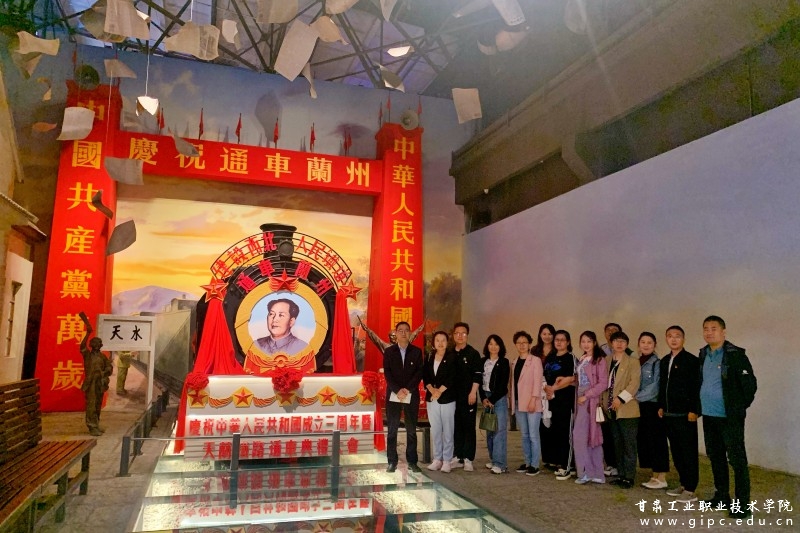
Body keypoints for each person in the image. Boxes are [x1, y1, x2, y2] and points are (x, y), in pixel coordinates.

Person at [698, 316, 757, 518]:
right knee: (716, 458)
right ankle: (722, 496)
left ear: (723, 331)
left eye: (713, 328)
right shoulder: (703, 354)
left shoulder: (735, 355)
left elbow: (750, 386)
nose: (709, 332)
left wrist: (737, 408)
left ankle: (742, 504)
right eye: (706, 329)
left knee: (737, 460)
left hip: (729, 418)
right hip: (709, 415)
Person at [657, 325, 700, 502]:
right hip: (669, 414)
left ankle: (690, 488)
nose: (673, 339)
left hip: (685, 415)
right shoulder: (664, 361)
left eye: (677, 336)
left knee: (688, 451)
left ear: (683, 339)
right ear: (666, 339)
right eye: (670, 336)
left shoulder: (691, 361)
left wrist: (694, 410)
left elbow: (696, 387)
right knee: (676, 451)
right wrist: (661, 405)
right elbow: (662, 386)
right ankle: (683, 483)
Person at [383, 321, 424, 473]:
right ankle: (392, 461)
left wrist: (407, 389)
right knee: (392, 430)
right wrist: (397, 390)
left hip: (411, 394)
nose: (403, 333)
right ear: (396, 333)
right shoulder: (389, 352)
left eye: (406, 330)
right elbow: (387, 373)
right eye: (400, 330)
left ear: (410, 333)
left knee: (411, 430)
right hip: (394, 394)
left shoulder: (417, 352)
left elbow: (419, 373)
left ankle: (412, 461)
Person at [603, 331, 640, 489]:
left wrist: (620, 399)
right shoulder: (606, 360)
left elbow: (634, 383)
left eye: (623, 341)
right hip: (610, 408)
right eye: (616, 341)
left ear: (627, 344)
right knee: (617, 444)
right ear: (611, 343)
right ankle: (621, 474)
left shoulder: (633, 362)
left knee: (628, 444)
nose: (619, 344)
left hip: (627, 409)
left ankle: (629, 477)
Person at [573, 331, 607, 484]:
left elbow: (603, 383)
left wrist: (586, 395)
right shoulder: (582, 358)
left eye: (589, 341)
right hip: (581, 399)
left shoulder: (599, 360)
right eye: (583, 341)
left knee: (582, 436)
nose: (586, 344)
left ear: (594, 342)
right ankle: (595, 473)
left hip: (589, 401)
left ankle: (587, 472)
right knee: (588, 437)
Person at [636, 332, 669, 491]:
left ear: (655, 345)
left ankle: (661, 477)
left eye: (649, 342)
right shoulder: (637, 361)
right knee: (647, 440)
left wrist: (634, 397)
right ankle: (654, 475)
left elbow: (655, 387)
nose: (646, 345)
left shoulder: (657, 363)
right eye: (643, 342)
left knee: (658, 441)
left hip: (652, 406)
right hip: (640, 406)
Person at [449, 322, 483, 472]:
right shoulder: (449, 353)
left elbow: (477, 375)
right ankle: (458, 456)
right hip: (452, 397)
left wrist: (473, 392)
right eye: (457, 333)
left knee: (468, 427)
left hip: (468, 396)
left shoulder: (473, 353)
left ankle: (468, 458)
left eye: (463, 333)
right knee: (456, 426)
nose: (460, 336)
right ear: (453, 335)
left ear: (467, 335)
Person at [543, 329, 576, 479]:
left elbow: (572, 378)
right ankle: (558, 461)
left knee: (565, 433)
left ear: (568, 342)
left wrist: (554, 388)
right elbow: (545, 376)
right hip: (551, 401)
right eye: (557, 339)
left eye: (562, 340)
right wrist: (547, 388)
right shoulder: (550, 357)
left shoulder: (571, 358)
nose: (559, 342)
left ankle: (567, 466)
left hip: (566, 401)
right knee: (555, 431)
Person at [510, 331, 544, 476]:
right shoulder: (514, 362)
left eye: (525, 342)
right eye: (519, 343)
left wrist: (533, 399)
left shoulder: (535, 360)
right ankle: (528, 462)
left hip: (532, 403)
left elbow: (538, 381)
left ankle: (535, 464)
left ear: (529, 344)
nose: (522, 345)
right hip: (519, 402)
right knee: (524, 434)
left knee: (533, 435)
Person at [423, 331, 457, 473]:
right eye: (437, 340)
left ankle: (447, 460)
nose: (440, 343)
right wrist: (432, 390)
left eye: (443, 340)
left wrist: (439, 391)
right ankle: (437, 459)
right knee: (436, 429)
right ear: (433, 342)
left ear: (447, 342)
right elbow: (425, 375)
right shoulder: (429, 356)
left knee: (448, 430)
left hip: (447, 398)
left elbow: (452, 377)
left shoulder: (452, 357)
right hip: (432, 398)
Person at [480, 334, 511, 474]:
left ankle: (501, 464)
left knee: (499, 431)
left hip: (498, 399)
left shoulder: (504, 362)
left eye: (496, 344)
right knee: (490, 430)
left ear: (500, 347)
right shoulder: (483, 361)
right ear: (487, 346)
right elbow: (479, 382)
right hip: (486, 398)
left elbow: (503, 385)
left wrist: (492, 400)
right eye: (490, 344)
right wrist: (483, 398)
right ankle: (494, 460)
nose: (493, 347)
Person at [79, 322, 113, 437]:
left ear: (101, 345)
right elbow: (82, 346)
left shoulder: (102, 356)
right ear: (91, 344)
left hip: (100, 383)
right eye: (94, 343)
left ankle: (96, 424)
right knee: (91, 405)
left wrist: (104, 372)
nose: (97, 345)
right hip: (91, 383)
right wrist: (88, 333)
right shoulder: (88, 355)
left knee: (98, 404)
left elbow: (109, 367)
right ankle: (92, 426)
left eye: (98, 343)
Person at [358, 315, 424, 354]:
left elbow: (412, 335)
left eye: (394, 336)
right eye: (391, 336)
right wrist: (367, 330)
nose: (393, 337)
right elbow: (376, 339)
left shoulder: (403, 345)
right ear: (389, 337)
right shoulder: (386, 347)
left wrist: (419, 329)